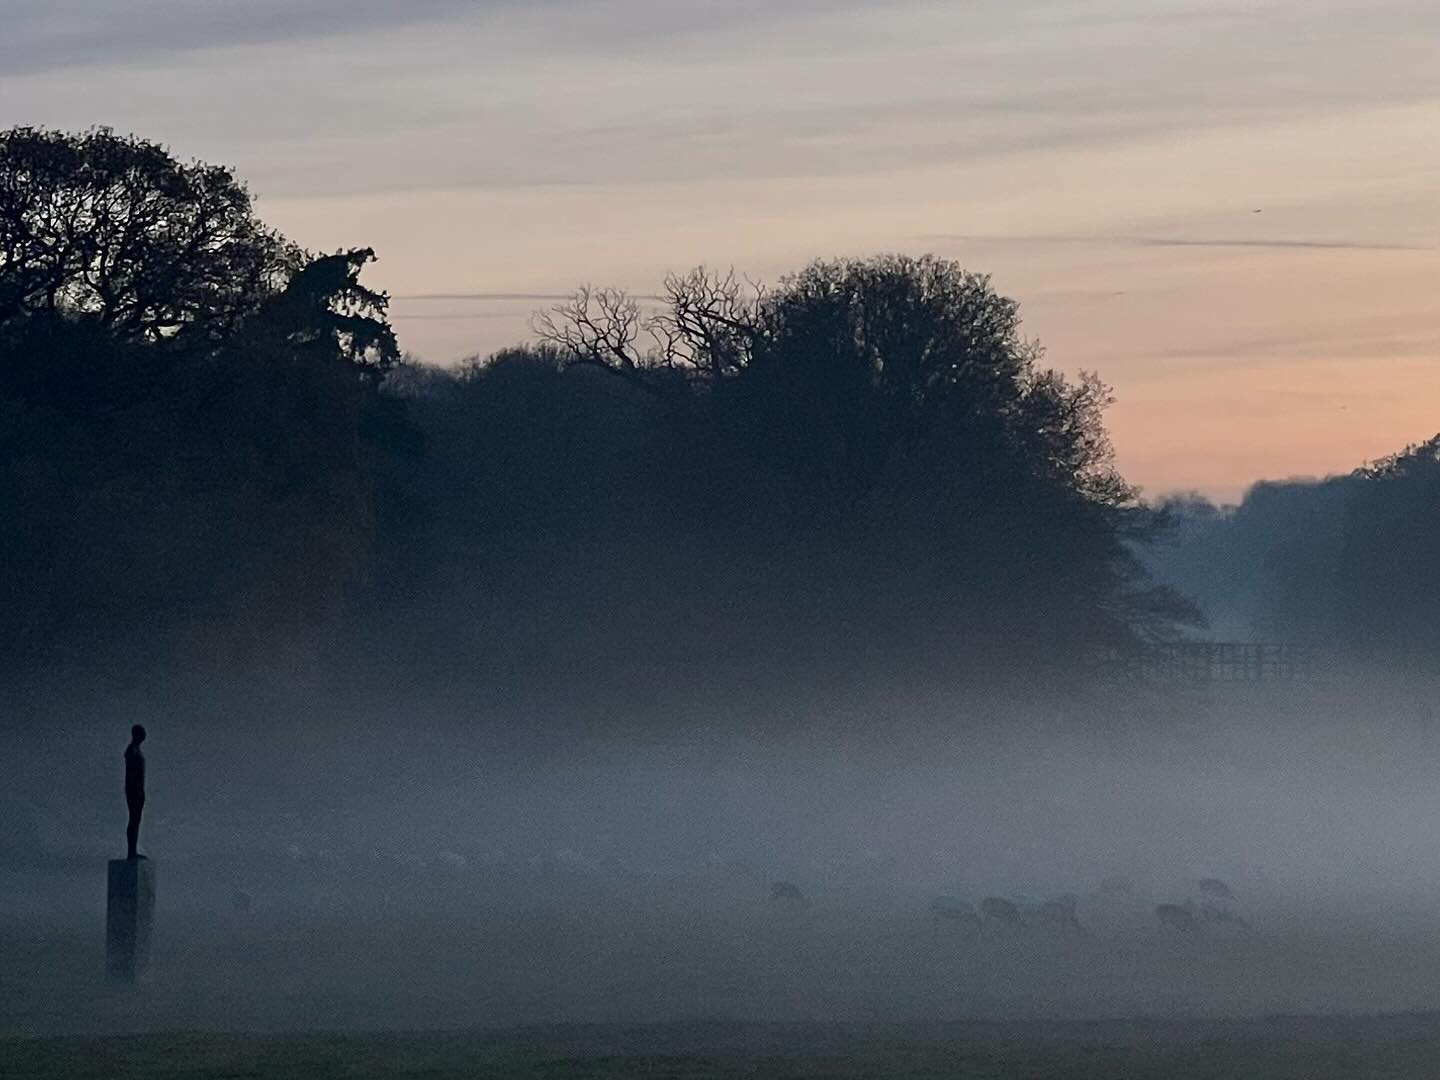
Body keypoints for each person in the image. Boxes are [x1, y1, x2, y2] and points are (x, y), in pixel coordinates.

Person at [124, 725, 147, 859]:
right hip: (134, 791)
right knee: (133, 820)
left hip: (137, 790)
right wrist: (137, 790)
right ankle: (131, 851)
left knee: (136, 821)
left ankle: (133, 850)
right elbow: (132, 774)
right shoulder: (132, 751)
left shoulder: (136, 750)